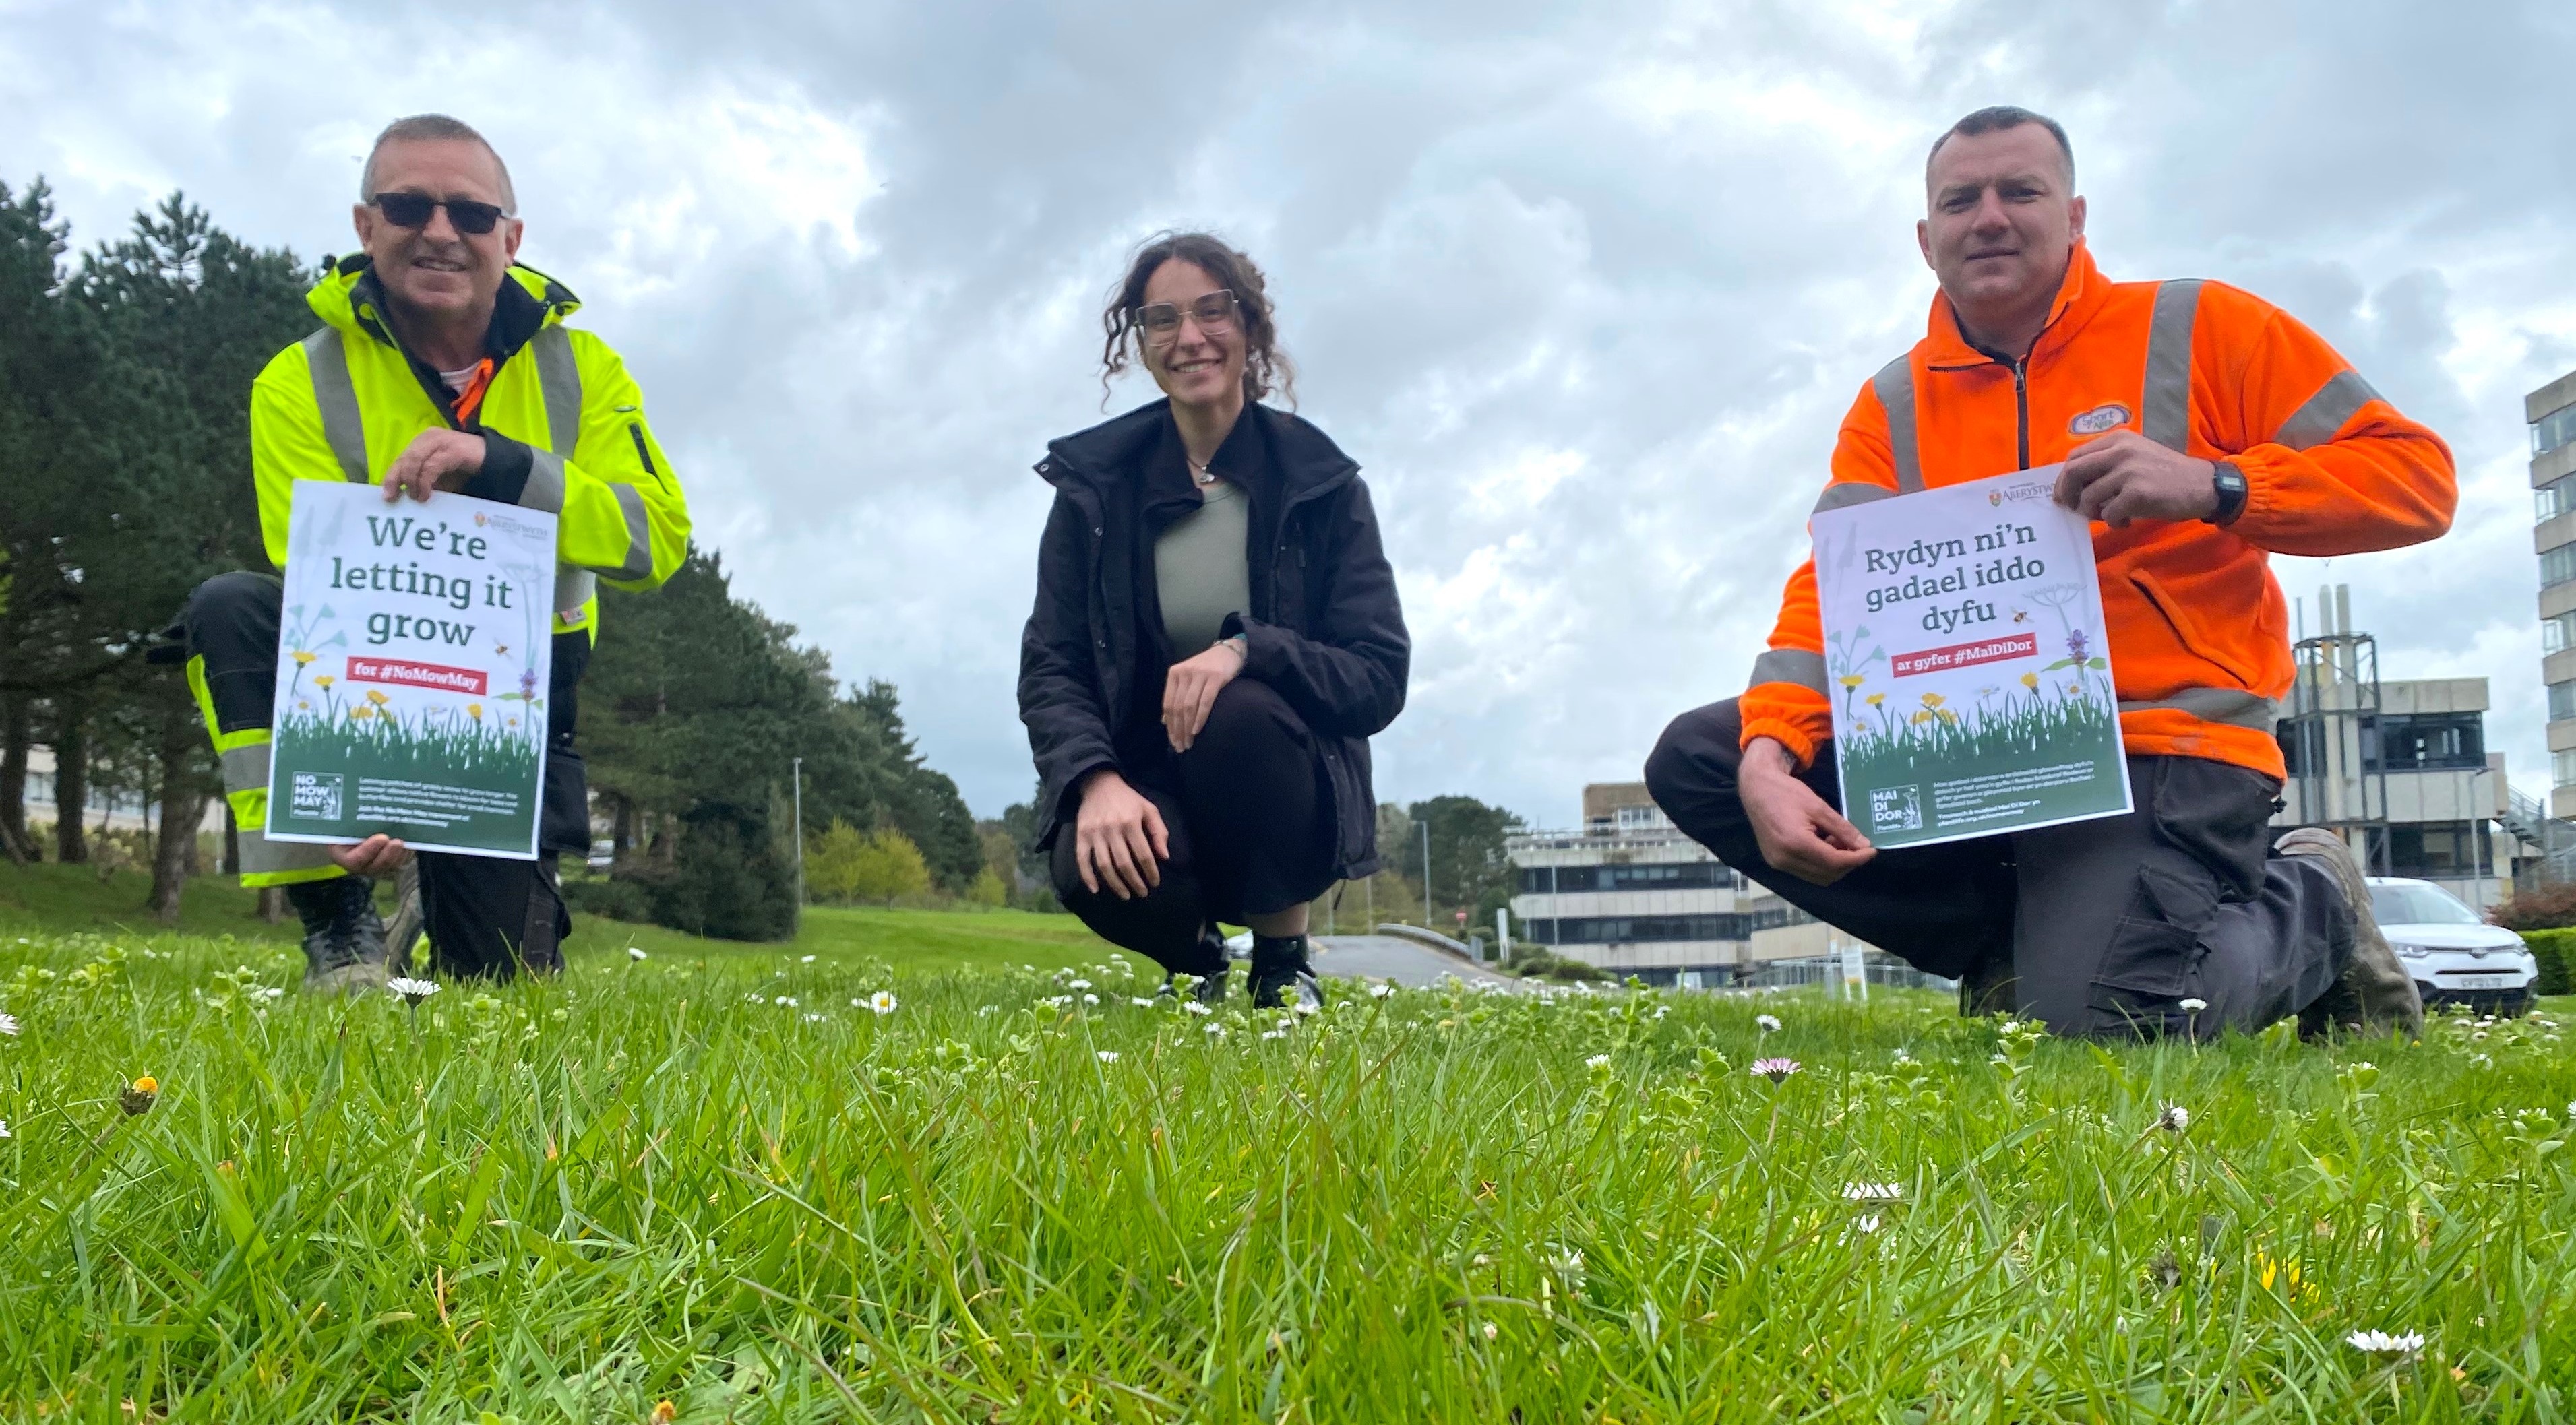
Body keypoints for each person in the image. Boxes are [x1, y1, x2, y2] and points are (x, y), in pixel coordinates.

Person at [1645, 106, 2455, 1040]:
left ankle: (2313, 901)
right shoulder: (1893, 401)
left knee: (2127, 1027)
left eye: (2018, 191)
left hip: (2163, 745)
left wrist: (2215, 483)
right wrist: (1768, 752)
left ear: (2074, 216)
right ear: (1925, 237)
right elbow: (1836, 586)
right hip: (1972, 747)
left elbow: (2415, 479)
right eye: (1960, 199)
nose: (1988, 216)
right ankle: (2020, 952)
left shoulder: (2201, 326)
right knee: (1703, 759)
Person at [173, 114, 690, 990]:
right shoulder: (298, 380)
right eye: (408, 204)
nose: (440, 231)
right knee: (231, 609)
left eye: (472, 214)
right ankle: (337, 925)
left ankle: (436, 896)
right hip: (366, 679)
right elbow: (312, 591)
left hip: (523, 700)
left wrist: (502, 465)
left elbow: (655, 539)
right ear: (365, 226)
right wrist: (356, 786)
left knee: (498, 991)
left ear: (512, 237)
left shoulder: (586, 367)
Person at [1018, 232, 1409, 1007]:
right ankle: (1198, 965)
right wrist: (1094, 782)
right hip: (1151, 780)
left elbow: (1377, 674)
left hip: (1282, 779)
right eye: (1162, 319)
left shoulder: (1320, 483)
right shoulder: (1093, 491)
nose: (1189, 338)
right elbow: (1052, 664)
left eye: (1211, 312)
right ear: (1139, 341)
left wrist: (1244, 650)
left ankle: (1281, 961)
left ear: (1250, 327)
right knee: (1082, 854)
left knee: (1238, 709)